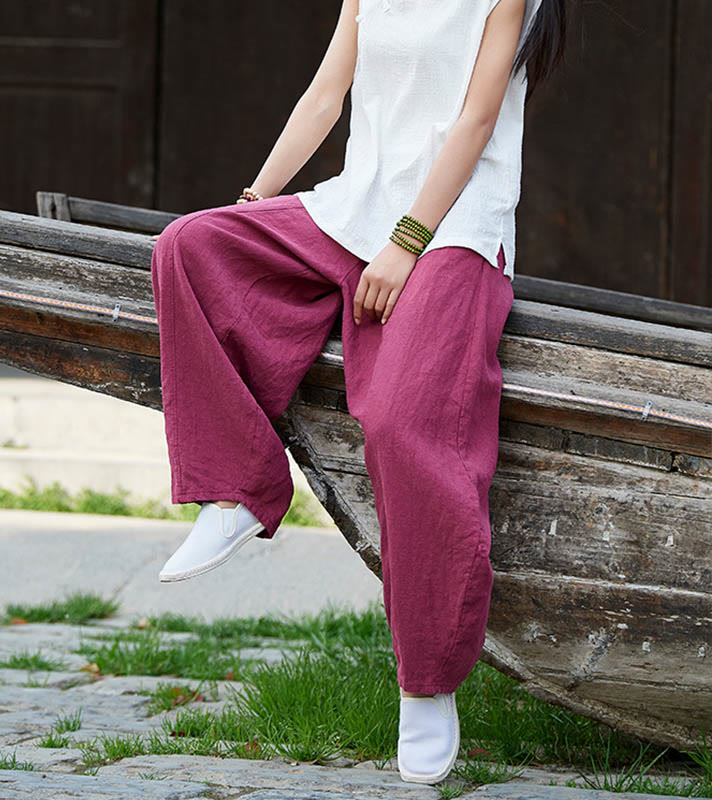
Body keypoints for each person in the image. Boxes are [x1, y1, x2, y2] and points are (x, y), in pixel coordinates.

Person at [150, 0, 567, 785]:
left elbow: (476, 121)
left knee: (405, 425)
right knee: (190, 246)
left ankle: (427, 682)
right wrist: (255, 201)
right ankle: (238, 492)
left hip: (452, 233)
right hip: (353, 209)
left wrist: (406, 243)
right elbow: (324, 96)